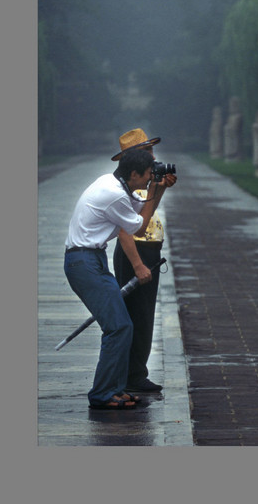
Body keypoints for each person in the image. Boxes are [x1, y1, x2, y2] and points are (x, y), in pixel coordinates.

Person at [63, 147, 171, 409]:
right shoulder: (113, 194)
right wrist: (154, 192)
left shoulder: (114, 185)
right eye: (147, 175)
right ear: (134, 173)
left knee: (122, 326)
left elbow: (141, 208)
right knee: (119, 327)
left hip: (91, 259)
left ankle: (114, 389)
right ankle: (102, 394)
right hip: (84, 263)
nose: (148, 180)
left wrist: (158, 189)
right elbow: (138, 225)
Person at [111, 129, 177, 393]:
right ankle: (132, 375)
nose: (152, 156)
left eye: (151, 150)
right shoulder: (126, 186)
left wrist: (158, 188)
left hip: (148, 250)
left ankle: (137, 372)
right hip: (135, 253)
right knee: (135, 314)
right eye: (146, 152)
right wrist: (138, 264)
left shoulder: (142, 181)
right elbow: (127, 229)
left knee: (145, 314)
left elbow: (146, 214)